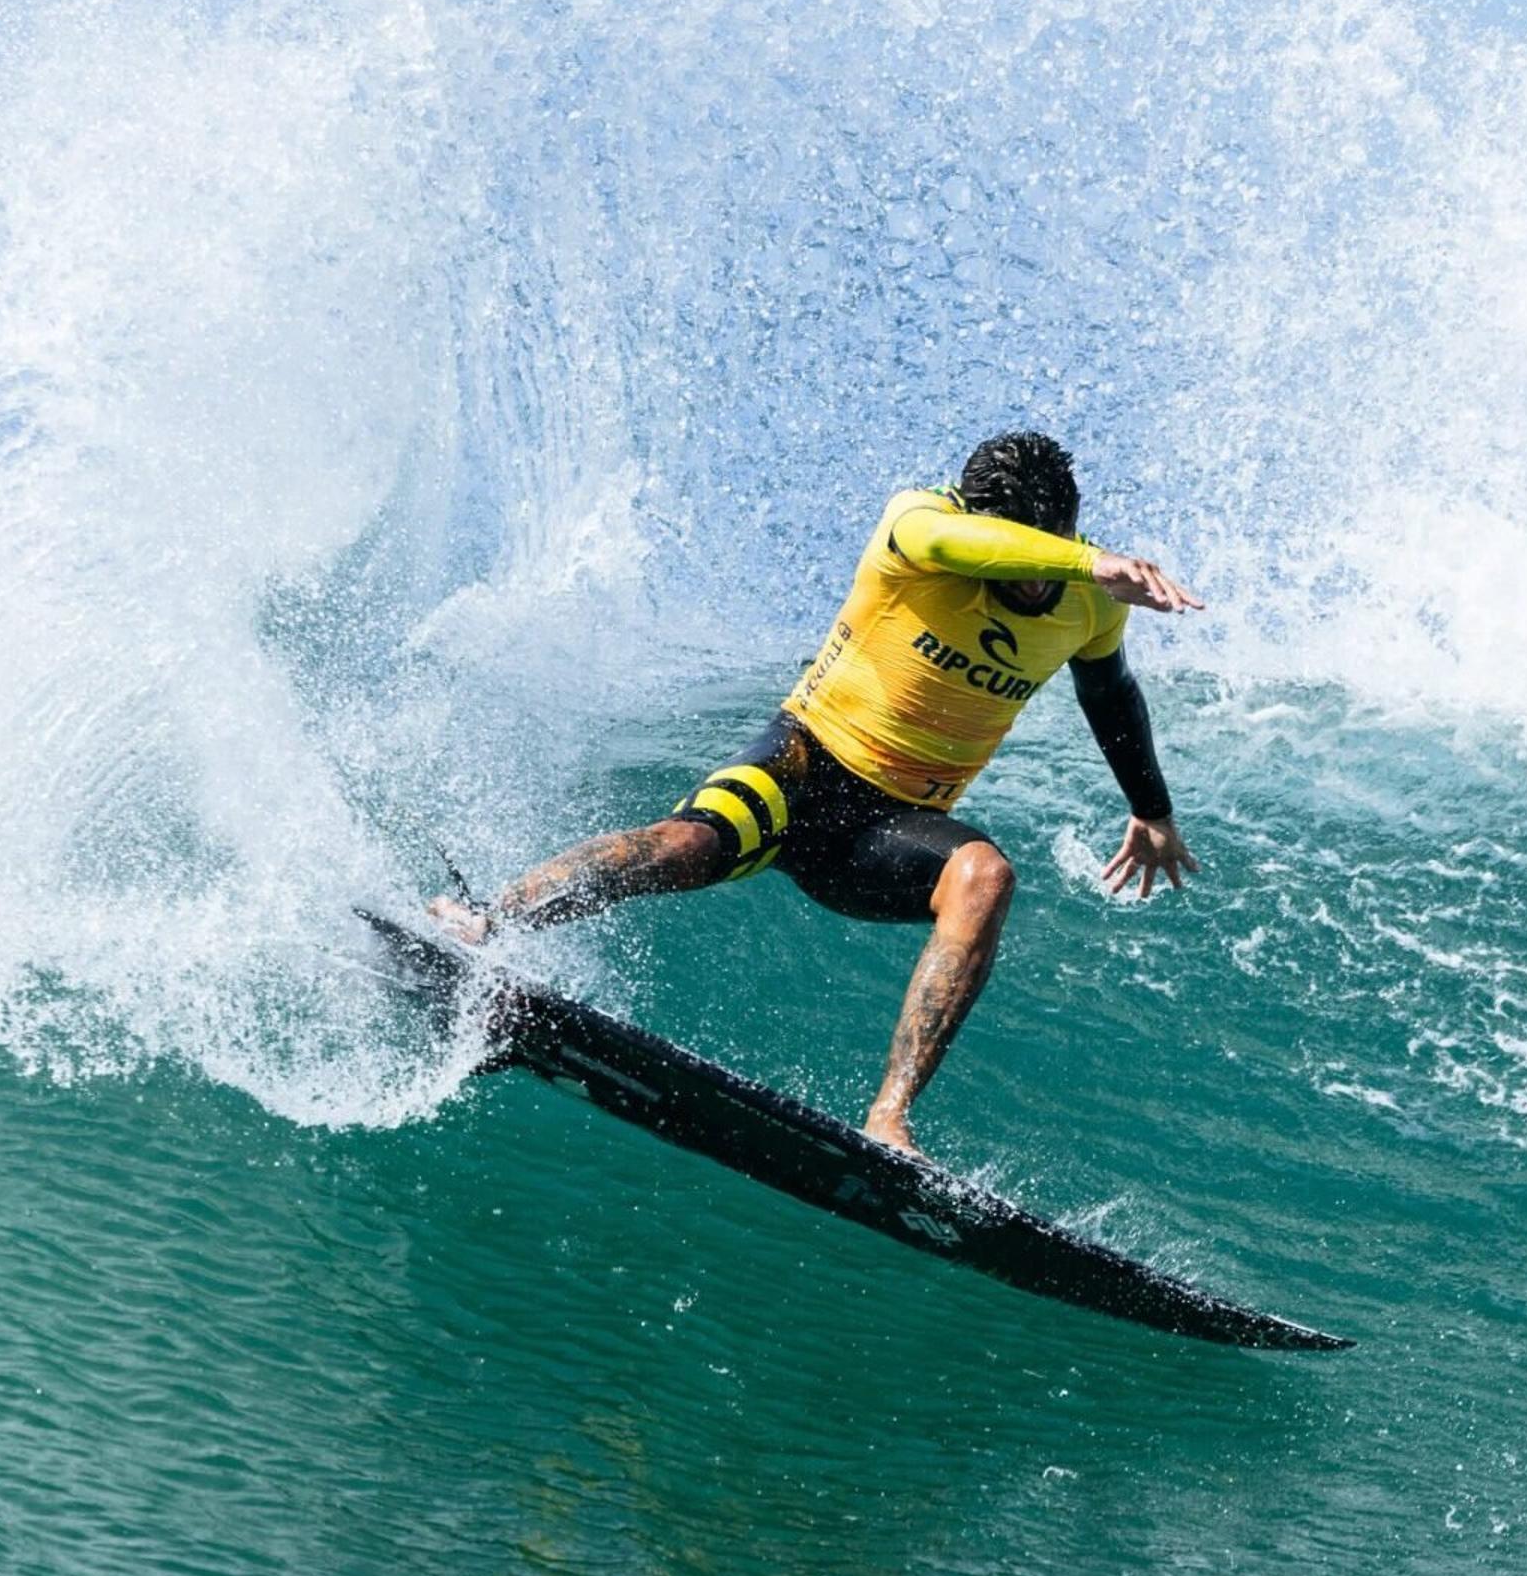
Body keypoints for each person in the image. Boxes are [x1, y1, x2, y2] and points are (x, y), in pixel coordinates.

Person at [433, 430, 1204, 1152]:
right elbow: (954, 538)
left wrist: (1152, 809)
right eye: (1022, 560)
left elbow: (1109, 692)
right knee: (691, 841)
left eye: (1052, 558)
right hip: (801, 769)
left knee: (985, 877)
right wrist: (1084, 562)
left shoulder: (1094, 602)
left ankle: (888, 1120)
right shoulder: (919, 527)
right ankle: (487, 923)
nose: (1033, 583)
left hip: (885, 831)